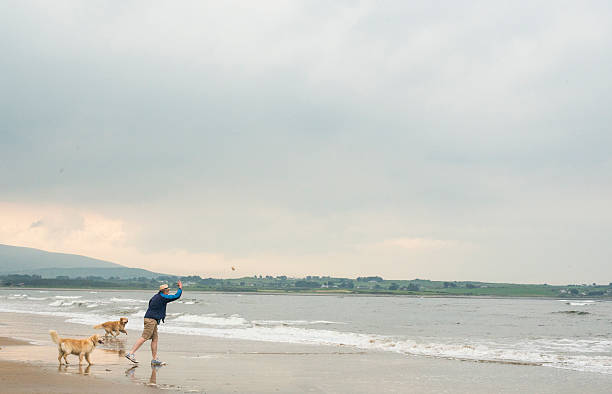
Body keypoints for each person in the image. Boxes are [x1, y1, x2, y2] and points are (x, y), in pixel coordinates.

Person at [125, 280, 182, 365]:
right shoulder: (163, 297)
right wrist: (180, 287)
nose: (169, 291)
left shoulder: (156, 296)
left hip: (152, 319)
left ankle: (154, 359)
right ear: (164, 291)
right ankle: (131, 353)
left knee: (155, 339)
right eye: (168, 290)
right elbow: (176, 296)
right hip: (151, 320)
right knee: (144, 337)